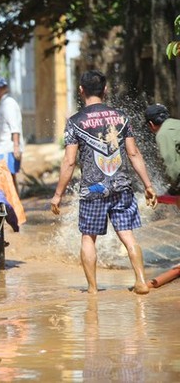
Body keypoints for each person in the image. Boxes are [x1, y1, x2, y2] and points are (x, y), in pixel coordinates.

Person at [50, 70, 157, 295]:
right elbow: (134, 153)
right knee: (128, 236)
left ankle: (92, 289)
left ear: (81, 91)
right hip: (121, 187)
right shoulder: (121, 117)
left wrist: (58, 195)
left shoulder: (75, 122)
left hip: (92, 190)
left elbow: (69, 162)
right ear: (105, 90)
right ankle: (140, 281)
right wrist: (148, 185)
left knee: (88, 237)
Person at [0, 76, 24, 194]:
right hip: (4, 148)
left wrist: (16, 147)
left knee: (7, 178)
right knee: (8, 178)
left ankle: (15, 205)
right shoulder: (3, 103)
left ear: (5, 88)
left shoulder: (8, 103)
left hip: (8, 148)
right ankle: (14, 205)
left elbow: (15, 127)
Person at [144, 103, 180, 201]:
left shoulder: (162, 134)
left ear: (151, 124)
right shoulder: (177, 123)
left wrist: (174, 186)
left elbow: (172, 166)